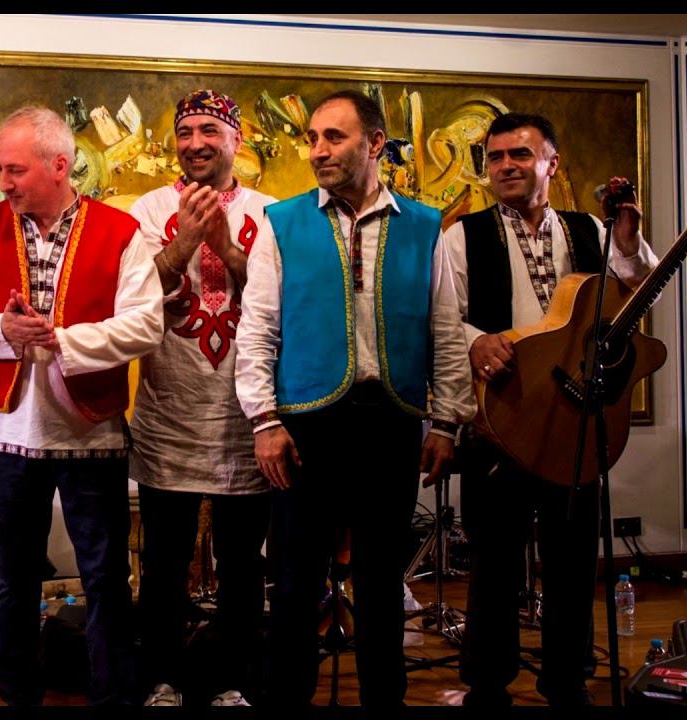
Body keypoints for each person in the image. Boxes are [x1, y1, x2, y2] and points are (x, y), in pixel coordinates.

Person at [235, 89, 474, 709]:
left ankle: (383, 703)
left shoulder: (424, 226)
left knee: (380, 584)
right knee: (294, 583)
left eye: (333, 137)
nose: (318, 150)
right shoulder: (283, 223)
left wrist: (446, 423)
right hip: (305, 427)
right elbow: (258, 330)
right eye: (312, 138)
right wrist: (263, 421)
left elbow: (445, 330)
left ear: (374, 144)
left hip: (390, 424)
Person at [0, 106, 162, 706]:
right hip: (13, 436)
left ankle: (113, 700)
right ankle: (19, 699)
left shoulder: (119, 231)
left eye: (15, 170)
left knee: (106, 579)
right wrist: (2, 330)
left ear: (60, 166)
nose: (3, 182)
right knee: (12, 580)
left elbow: (146, 324)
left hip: (95, 435)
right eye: (0, 168)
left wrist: (63, 340)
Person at [447, 112, 657, 708]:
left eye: (519, 154)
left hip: (573, 422)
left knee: (572, 563)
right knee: (494, 564)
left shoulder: (588, 229)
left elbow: (632, 299)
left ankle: (567, 681)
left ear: (551, 163)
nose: (505, 166)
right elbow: (442, 317)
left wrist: (626, 241)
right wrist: (474, 341)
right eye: (495, 157)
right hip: (501, 420)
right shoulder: (463, 236)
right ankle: (488, 686)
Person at [126, 89, 273, 708]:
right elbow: (134, 297)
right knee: (164, 560)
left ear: (236, 140)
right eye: (185, 132)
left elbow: (275, 299)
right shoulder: (147, 209)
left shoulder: (271, 213)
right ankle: (161, 676)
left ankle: (232, 678)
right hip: (170, 411)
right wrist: (185, 240)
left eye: (209, 130)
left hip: (246, 417)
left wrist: (227, 246)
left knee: (243, 562)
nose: (195, 143)